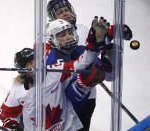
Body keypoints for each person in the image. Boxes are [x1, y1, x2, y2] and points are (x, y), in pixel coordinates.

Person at [0, 18, 109, 131]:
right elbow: (8, 113)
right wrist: (11, 125)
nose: (35, 64)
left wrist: (94, 44)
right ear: (22, 70)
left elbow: (82, 63)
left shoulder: (54, 71)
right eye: (30, 63)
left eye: (36, 60)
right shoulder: (17, 89)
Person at [46, 0, 133, 130]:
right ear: (53, 17)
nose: (65, 14)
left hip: (88, 92)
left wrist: (113, 32)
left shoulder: (82, 29)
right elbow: (46, 61)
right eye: (60, 12)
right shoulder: (47, 35)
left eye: (66, 10)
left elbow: (92, 48)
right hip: (63, 94)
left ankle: (107, 66)